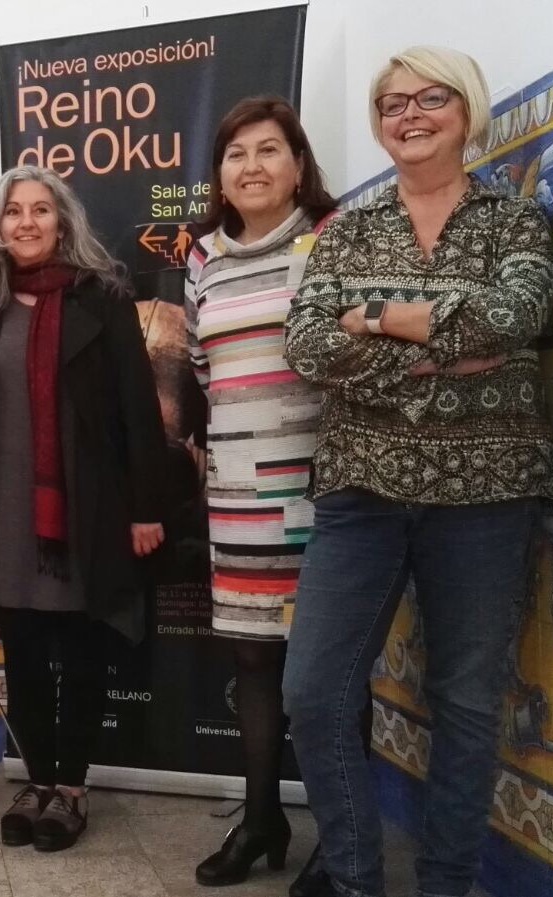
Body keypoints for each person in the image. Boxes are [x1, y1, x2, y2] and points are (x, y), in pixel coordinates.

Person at [281, 47, 553, 897]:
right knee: (313, 692)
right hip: (359, 489)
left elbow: (512, 316)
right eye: (391, 103)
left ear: (465, 109)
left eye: (429, 97)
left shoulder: (513, 222)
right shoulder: (348, 230)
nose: (408, 114)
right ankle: (355, 879)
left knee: (467, 703)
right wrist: (438, 352)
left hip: (485, 495)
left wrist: (370, 316)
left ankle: (444, 885)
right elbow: (306, 344)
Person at [0, 165, 166, 852]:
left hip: (86, 510)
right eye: (12, 211)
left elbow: (138, 409)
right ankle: (35, 780)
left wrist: (144, 508)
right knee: (21, 653)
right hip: (6, 514)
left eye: (39, 209)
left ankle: (70, 788)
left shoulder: (101, 298)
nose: (26, 222)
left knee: (78, 653)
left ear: (62, 221)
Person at [183, 96, 346, 891]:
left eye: (268, 149)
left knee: (328, 669)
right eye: (235, 153)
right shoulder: (202, 256)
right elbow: (201, 366)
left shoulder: (331, 238)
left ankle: (341, 840)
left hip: (323, 491)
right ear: (219, 174)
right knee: (252, 656)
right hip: (237, 494)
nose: (251, 166)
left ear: (297, 163)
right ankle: (260, 819)